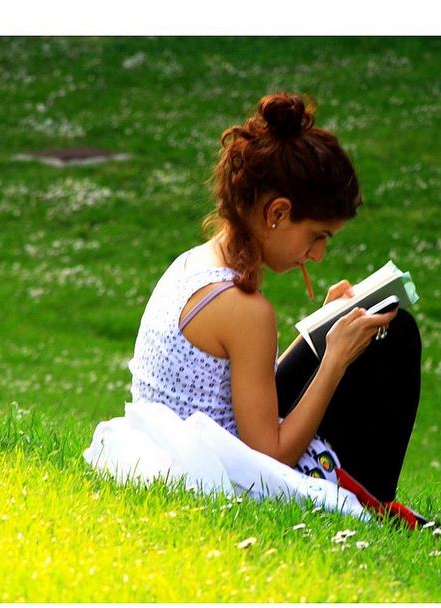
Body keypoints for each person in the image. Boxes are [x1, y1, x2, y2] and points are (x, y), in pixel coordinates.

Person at [128, 92, 422, 517]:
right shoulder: (245, 308)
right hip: (231, 473)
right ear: (277, 213)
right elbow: (270, 456)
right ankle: (371, 499)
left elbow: (234, 388)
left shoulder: (195, 263)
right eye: (318, 235)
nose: (318, 254)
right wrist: (334, 360)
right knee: (395, 338)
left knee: (364, 328)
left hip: (186, 448)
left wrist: (323, 329)